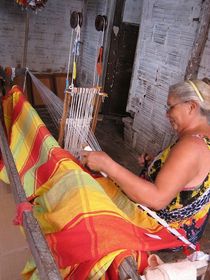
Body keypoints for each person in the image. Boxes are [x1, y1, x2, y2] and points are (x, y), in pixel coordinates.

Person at [82, 79, 210, 245]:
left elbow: (157, 199)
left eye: (171, 106)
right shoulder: (201, 139)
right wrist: (156, 165)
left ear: (191, 107)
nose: (167, 114)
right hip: (187, 229)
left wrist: (108, 165)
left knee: (88, 200)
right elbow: (187, 180)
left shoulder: (192, 146)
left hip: (164, 230)